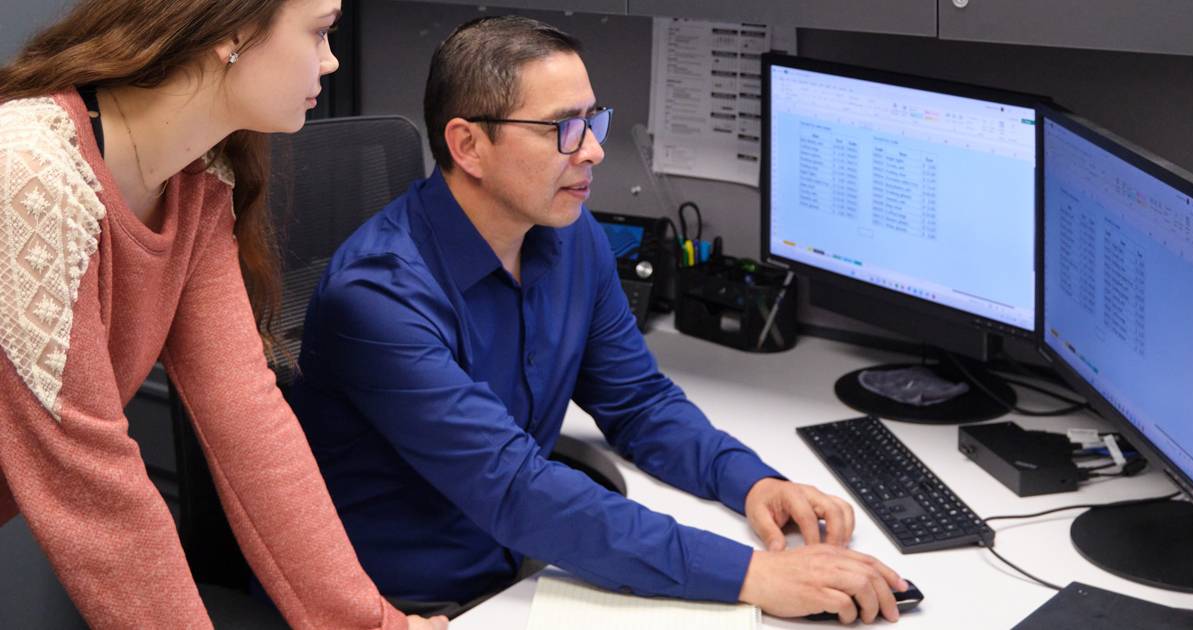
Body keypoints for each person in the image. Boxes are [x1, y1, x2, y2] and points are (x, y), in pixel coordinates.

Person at [292, 15, 907, 625]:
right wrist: (752, 575)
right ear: (468, 145)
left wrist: (749, 483)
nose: (593, 149)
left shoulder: (569, 233)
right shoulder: (378, 295)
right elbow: (515, 488)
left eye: (592, 119)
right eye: (563, 127)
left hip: (512, 571)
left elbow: (636, 401)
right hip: (401, 608)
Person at [0, 1, 447, 628]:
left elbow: (247, 416)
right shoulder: (27, 175)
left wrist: (372, 622)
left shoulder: (196, 181)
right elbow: (97, 490)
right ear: (233, 31)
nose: (331, 58)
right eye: (319, 31)